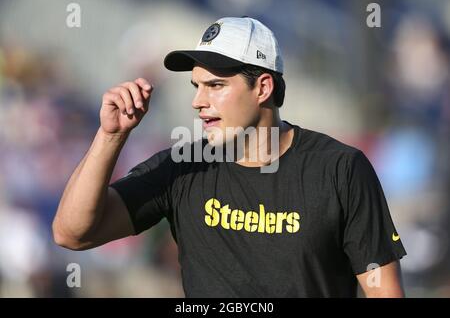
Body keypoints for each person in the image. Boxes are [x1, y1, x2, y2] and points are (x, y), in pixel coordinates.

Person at [53, 16, 407, 297]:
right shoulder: (181, 168)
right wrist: (111, 136)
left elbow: (384, 292)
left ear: (263, 87)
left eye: (215, 86)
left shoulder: (339, 169)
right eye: (196, 87)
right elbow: (72, 233)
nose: (198, 102)